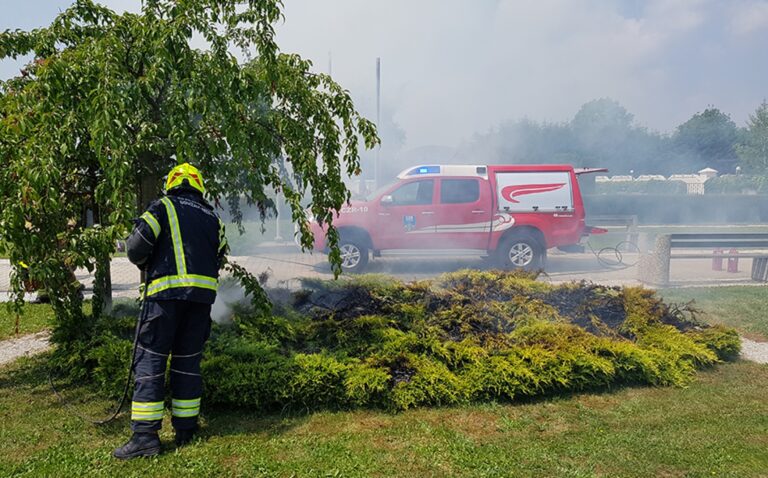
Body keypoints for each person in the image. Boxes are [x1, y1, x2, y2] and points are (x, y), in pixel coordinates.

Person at [113, 163, 228, 460]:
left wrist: (147, 263)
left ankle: (145, 438)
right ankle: (186, 429)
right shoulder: (213, 218)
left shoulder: (161, 207)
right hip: (201, 303)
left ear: (172, 184)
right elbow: (220, 256)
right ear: (199, 186)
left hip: (163, 299)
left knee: (150, 363)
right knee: (187, 363)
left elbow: (135, 248)